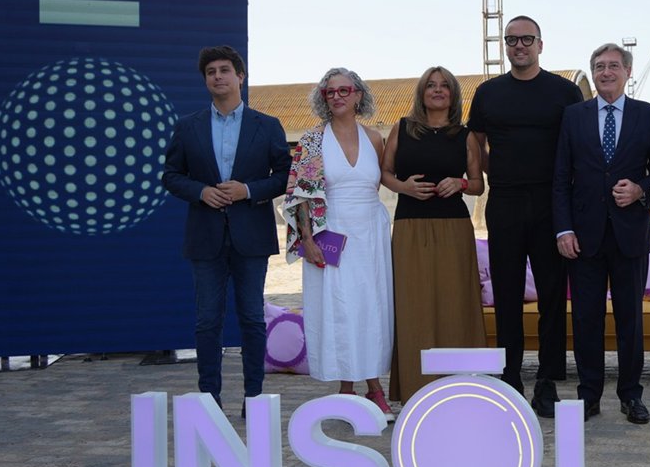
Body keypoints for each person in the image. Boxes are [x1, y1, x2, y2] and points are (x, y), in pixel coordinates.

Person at [162, 45, 291, 415]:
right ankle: (209, 402)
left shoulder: (267, 125)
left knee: (252, 318)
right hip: (205, 236)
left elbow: (285, 174)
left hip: (252, 235)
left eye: (224, 70)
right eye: (210, 72)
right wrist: (201, 192)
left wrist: (247, 190)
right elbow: (171, 175)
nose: (217, 76)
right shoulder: (188, 126)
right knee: (207, 321)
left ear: (240, 77)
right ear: (205, 80)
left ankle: (254, 399)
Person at [467, 15, 584, 417]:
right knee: (507, 294)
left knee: (552, 296)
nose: (519, 46)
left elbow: (578, 143)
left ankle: (547, 382)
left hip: (552, 204)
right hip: (505, 202)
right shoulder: (488, 93)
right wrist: (492, 171)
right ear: (506, 45)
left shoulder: (565, 92)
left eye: (526, 39)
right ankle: (510, 377)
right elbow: (475, 140)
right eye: (512, 40)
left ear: (540, 44)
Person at [553, 43, 650, 424]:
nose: (606, 72)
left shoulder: (647, 116)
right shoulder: (574, 116)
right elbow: (561, 177)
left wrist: (640, 190)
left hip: (630, 234)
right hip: (583, 238)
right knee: (586, 319)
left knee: (630, 319)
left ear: (628, 72)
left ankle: (631, 395)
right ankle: (589, 395)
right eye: (599, 66)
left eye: (614, 66)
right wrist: (564, 229)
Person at [282, 68, 394, 417]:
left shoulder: (375, 138)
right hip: (331, 233)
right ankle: (348, 390)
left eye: (344, 90)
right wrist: (307, 239)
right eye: (329, 92)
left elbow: (377, 184)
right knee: (340, 310)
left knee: (371, 309)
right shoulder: (312, 141)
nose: (337, 96)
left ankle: (374, 388)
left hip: (371, 234)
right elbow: (300, 195)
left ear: (358, 95)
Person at [381, 66, 486, 403]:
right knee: (413, 305)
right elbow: (384, 173)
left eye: (444, 86)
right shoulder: (402, 128)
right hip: (410, 227)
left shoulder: (465, 136)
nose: (438, 90)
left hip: (453, 229)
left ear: (453, 94)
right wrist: (404, 187)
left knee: (457, 304)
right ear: (421, 93)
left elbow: (479, 184)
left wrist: (461, 183)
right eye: (431, 85)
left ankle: (461, 387)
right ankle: (415, 388)